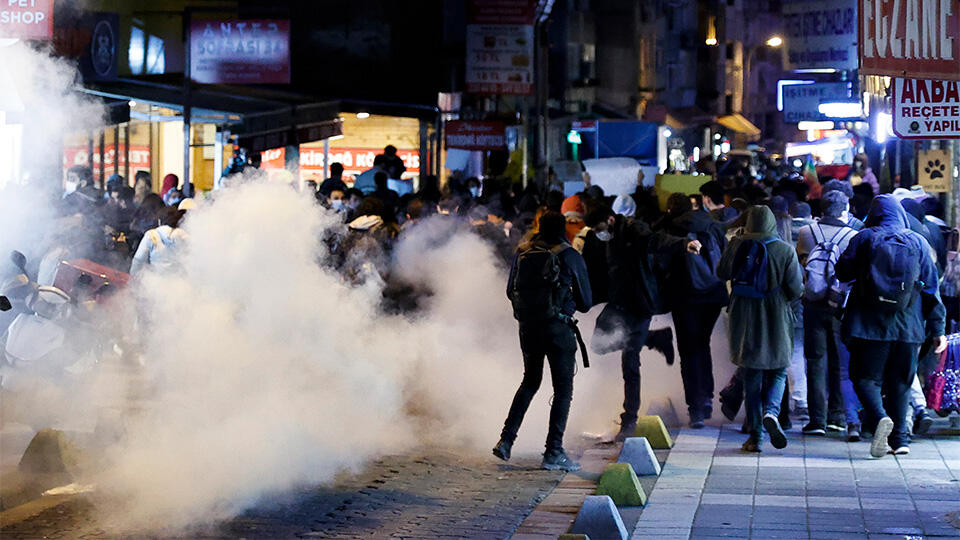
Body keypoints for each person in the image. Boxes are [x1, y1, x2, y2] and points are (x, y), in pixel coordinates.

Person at [835, 195, 946, 457]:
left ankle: (880, 417)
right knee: (901, 384)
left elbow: (842, 272)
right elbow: (931, 289)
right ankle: (901, 440)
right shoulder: (918, 241)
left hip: (868, 325)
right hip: (909, 327)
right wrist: (938, 329)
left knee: (864, 379)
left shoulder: (865, 238)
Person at [494, 211, 592, 471]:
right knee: (562, 390)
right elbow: (586, 302)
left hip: (529, 329)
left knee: (530, 381)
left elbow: (509, 291)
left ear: (539, 227)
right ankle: (553, 451)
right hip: (559, 330)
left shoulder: (523, 252)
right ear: (564, 230)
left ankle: (505, 441)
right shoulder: (570, 255)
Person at [598, 209, 701, 440]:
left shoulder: (636, 231)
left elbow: (657, 240)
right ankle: (656, 338)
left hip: (640, 305)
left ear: (611, 219)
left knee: (630, 361)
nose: (599, 233)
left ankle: (629, 418)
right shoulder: (612, 238)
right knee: (598, 344)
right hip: (618, 304)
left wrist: (684, 244)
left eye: (600, 228)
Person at [717, 206, 803, 452]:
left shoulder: (738, 245)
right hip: (776, 315)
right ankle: (772, 412)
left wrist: (734, 244)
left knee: (752, 376)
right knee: (777, 370)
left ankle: (755, 437)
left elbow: (721, 272)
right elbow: (796, 289)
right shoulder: (785, 250)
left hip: (744, 316)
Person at [657, 192, 729, 428]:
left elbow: (661, 262)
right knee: (702, 344)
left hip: (684, 297)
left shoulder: (670, 229)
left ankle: (695, 408)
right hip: (713, 295)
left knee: (688, 351)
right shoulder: (712, 224)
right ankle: (707, 398)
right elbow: (725, 258)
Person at [796, 191, 859, 437]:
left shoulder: (806, 233)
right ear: (845, 209)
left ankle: (816, 420)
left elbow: (803, 262)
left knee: (815, 361)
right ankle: (837, 416)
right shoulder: (853, 236)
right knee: (839, 362)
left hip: (812, 304)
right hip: (840, 305)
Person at [130, 206, 188, 275]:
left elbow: (138, 260)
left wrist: (133, 278)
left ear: (159, 221)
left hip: (156, 282)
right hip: (180, 282)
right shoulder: (184, 235)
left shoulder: (151, 235)